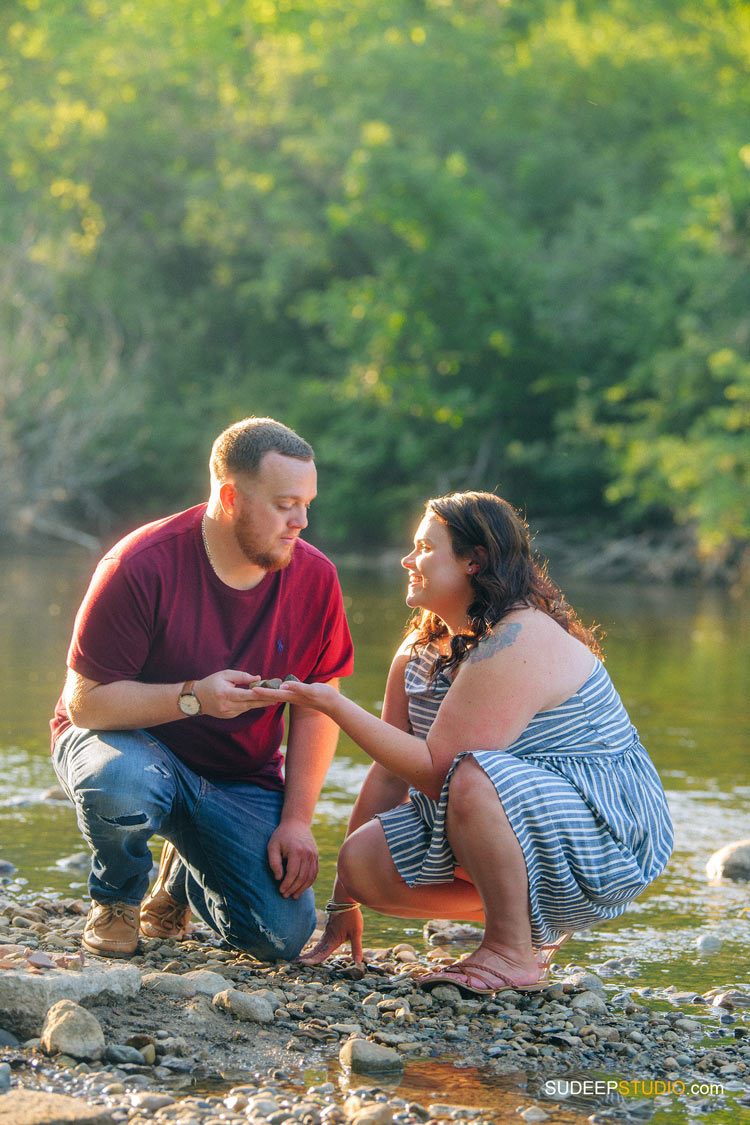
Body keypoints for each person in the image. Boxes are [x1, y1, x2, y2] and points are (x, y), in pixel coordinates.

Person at [256, 491, 674, 996]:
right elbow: (391, 771)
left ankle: (512, 949)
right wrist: (343, 903)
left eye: (425, 548)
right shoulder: (418, 649)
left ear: (474, 561)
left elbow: (437, 770)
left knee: (471, 775)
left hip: (607, 830)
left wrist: (333, 704)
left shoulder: (517, 638)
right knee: (360, 862)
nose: (407, 560)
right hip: (512, 814)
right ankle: (526, 923)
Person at [50, 417, 353, 961]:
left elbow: (316, 709)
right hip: (124, 744)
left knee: (280, 936)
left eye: (307, 503)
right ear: (231, 497)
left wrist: (297, 821)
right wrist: (192, 697)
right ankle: (116, 897)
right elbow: (85, 703)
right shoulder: (139, 564)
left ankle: (180, 878)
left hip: (237, 775)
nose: (302, 521)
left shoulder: (316, 579)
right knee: (124, 783)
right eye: (285, 504)